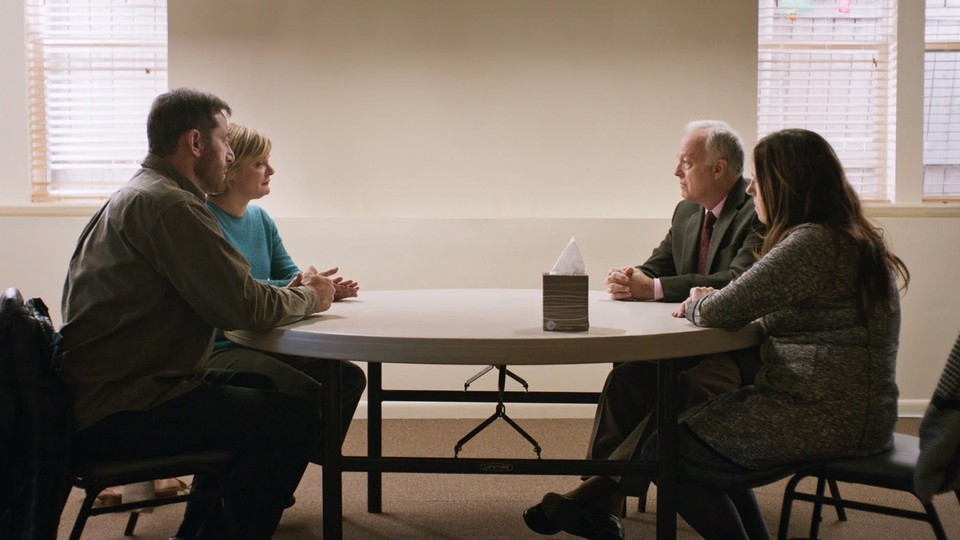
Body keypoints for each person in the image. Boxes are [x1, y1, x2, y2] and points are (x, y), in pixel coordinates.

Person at [525, 128, 910, 540]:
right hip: (836, 408)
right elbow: (748, 301)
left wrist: (698, 298)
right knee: (673, 427)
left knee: (667, 450)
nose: (751, 187)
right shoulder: (842, 237)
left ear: (785, 185)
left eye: (759, 179)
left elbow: (723, 307)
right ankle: (596, 500)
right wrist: (708, 296)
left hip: (822, 416)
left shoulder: (811, 243)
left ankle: (591, 499)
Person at [59, 88, 337, 539]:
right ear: (195, 143)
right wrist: (313, 297)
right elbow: (245, 307)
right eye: (225, 140)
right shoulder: (171, 205)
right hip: (128, 407)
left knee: (280, 396)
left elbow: (235, 296)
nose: (229, 154)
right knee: (292, 420)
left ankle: (202, 528)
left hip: (120, 391)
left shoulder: (144, 193)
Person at [589, 120, 764, 466]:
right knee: (626, 377)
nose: (675, 172)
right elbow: (660, 265)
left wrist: (652, 288)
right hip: (684, 338)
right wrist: (630, 278)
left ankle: (602, 491)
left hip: (730, 347)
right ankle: (598, 491)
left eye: (685, 162)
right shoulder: (687, 211)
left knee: (680, 388)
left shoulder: (756, 208)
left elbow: (736, 278)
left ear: (718, 168)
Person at [204, 123, 367, 451]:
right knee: (297, 390)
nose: (271, 170)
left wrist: (326, 288)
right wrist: (305, 287)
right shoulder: (204, 221)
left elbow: (289, 276)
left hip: (265, 339)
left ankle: (295, 459)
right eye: (260, 163)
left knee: (348, 379)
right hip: (221, 346)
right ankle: (277, 465)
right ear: (231, 170)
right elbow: (244, 290)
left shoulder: (260, 219)